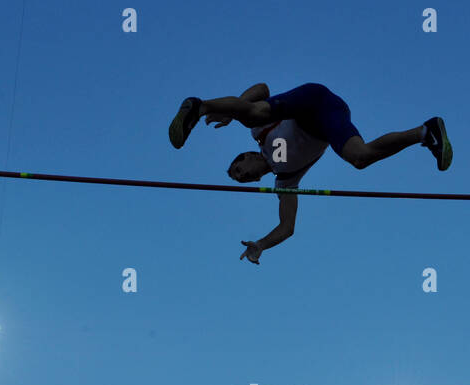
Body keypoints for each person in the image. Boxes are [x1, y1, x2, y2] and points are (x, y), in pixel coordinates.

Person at [168, 82, 451, 262]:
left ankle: (200, 106)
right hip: (328, 120)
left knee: (253, 114)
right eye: (244, 179)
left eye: (240, 169)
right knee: (360, 157)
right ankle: (426, 132)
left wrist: (233, 110)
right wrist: (261, 245)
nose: (247, 177)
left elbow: (262, 89)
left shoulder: (259, 134)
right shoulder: (286, 180)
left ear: (248, 155)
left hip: (310, 101)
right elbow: (287, 227)